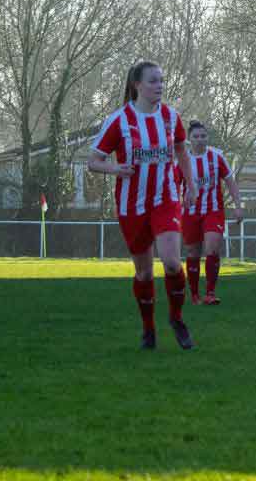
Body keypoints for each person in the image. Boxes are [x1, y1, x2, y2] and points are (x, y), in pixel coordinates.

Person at [87, 61, 197, 350]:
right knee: (145, 274)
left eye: (161, 80)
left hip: (166, 198)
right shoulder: (119, 120)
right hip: (132, 205)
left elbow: (181, 153)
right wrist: (116, 169)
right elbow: (93, 161)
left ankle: (176, 318)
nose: (159, 85)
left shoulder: (172, 118)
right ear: (137, 85)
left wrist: (192, 184)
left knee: (173, 262)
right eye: (153, 81)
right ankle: (148, 328)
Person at [177, 121, 242, 305]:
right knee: (193, 252)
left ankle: (210, 293)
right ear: (189, 139)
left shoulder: (217, 157)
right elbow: (173, 186)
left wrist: (238, 206)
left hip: (213, 210)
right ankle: (195, 294)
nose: (200, 139)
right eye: (196, 136)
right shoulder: (183, 161)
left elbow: (230, 182)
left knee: (212, 248)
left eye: (203, 136)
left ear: (207, 138)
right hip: (190, 213)